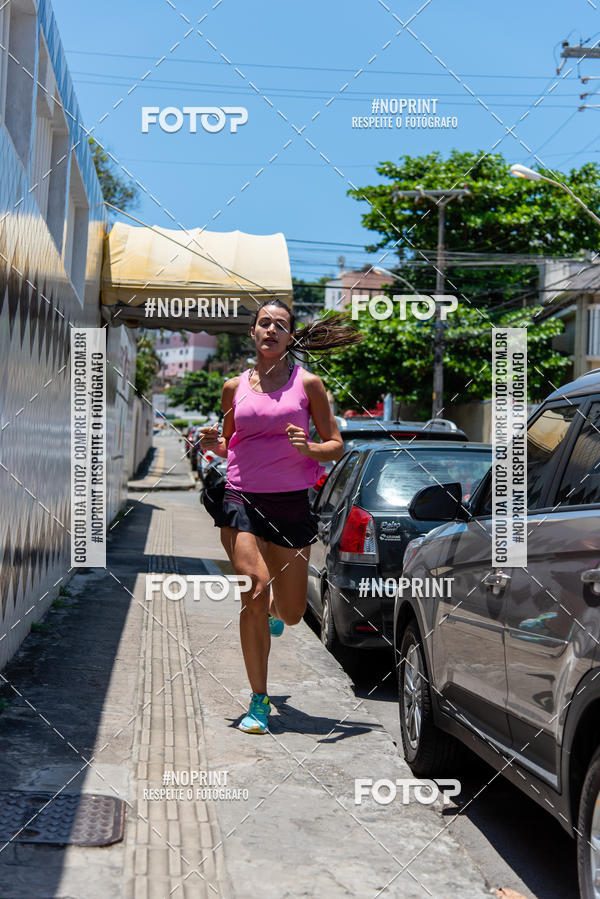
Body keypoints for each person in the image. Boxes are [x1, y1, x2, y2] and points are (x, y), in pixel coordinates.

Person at [200, 299, 361, 734]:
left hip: (290, 504)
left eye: (281, 325)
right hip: (240, 498)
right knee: (253, 588)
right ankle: (259, 700)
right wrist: (213, 444)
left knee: (290, 613)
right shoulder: (235, 387)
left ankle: (275, 608)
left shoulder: (308, 385)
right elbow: (228, 445)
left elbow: (335, 444)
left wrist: (309, 448)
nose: (271, 330)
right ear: (252, 333)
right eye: (264, 323)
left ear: (291, 336)